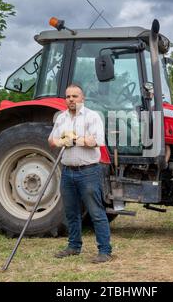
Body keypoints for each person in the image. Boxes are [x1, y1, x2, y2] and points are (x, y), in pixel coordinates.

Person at [48, 83, 113, 263]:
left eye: (75, 96)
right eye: (68, 96)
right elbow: (51, 141)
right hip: (67, 172)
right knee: (71, 212)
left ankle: (105, 250)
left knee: (96, 212)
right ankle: (73, 246)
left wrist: (75, 139)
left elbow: (97, 140)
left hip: (88, 172)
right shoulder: (61, 118)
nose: (71, 99)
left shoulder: (92, 117)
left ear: (82, 98)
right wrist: (62, 141)